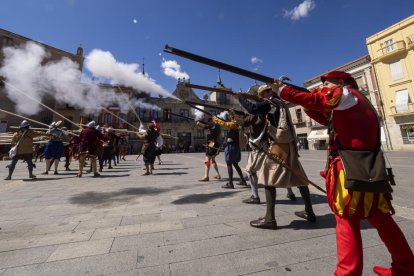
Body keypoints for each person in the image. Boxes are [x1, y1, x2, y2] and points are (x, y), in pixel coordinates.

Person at [272, 70, 414, 275]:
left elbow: (318, 100)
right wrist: (305, 102)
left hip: (351, 169)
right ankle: (406, 267)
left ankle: (347, 273)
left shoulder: (346, 94)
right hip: (368, 168)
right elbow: (325, 117)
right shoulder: (354, 101)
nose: (323, 90)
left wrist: (285, 90)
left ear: (340, 83)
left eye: (326, 85)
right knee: (382, 219)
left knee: (346, 220)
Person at [236, 84, 316, 230]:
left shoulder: (271, 102)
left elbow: (253, 109)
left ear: (266, 93)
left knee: (267, 179)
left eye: (261, 96)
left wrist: (240, 97)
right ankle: (309, 211)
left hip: (279, 144)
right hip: (287, 144)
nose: (260, 99)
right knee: (300, 179)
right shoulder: (280, 103)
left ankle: (270, 219)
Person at [213, 111, 247, 189]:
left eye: (233, 116)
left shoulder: (235, 123)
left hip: (231, 146)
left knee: (229, 163)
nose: (231, 117)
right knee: (235, 163)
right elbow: (226, 122)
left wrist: (215, 118)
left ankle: (231, 183)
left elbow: (225, 124)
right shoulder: (236, 122)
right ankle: (243, 180)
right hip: (233, 145)